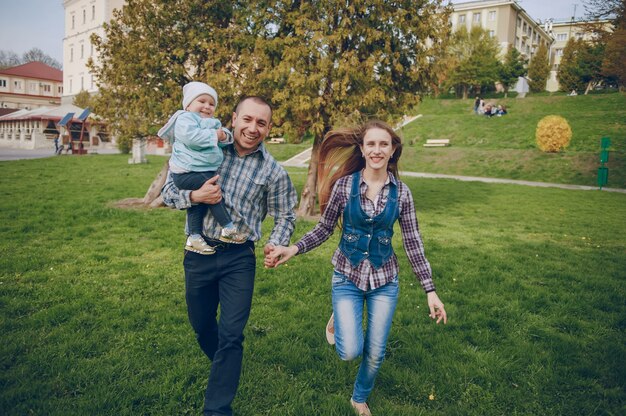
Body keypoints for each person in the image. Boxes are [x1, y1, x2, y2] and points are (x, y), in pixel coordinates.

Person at [266, 120, 448, 416]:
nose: (377, 150)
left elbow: (413, 242)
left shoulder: (402, 194)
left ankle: (358, 398)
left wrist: (430, 290)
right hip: (347, 277)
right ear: (362, 150)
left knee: (375, 352)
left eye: (383, 144)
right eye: (371, 144)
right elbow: (324, 229)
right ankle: (339, 316)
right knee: (349, 350)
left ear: (392, 150)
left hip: (384, 281)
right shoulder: (343, 186)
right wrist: (293, 248)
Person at [161, 96, 297, 416]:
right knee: (202, 325)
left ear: (268, 127)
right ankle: (225, 362)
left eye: (261, 123)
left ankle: (217, 408)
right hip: (199, 252)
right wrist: (195, 195)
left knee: (232, 334)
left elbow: (286, 215)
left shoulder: (273, 171)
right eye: (247, 120)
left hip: (239, 258)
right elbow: (168, 192)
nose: (253, 128)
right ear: (233, 119)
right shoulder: (203, 150)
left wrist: (277, 242)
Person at [159, 81, 243, 255]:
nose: (207, 106)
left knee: (198, 203)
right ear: (188, 105)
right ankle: (228, 228)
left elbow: (225, 136)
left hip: (199, 169)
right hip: (186, 172)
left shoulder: (211, 122)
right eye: (202, 101)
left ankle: (194, 237)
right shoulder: (185, 119)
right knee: (212, 192)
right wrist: (214, 135)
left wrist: (222, 136)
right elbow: (192, 138)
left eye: (211, 104)